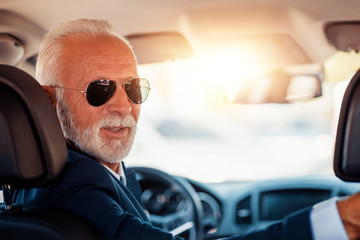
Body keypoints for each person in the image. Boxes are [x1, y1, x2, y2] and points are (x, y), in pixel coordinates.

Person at [12, 18, 360, 240]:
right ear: (48, 101)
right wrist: (335, 223)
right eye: (99, 88)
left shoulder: (63, 180)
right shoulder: (75, 186)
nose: (123, 106)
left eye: (133, 87)